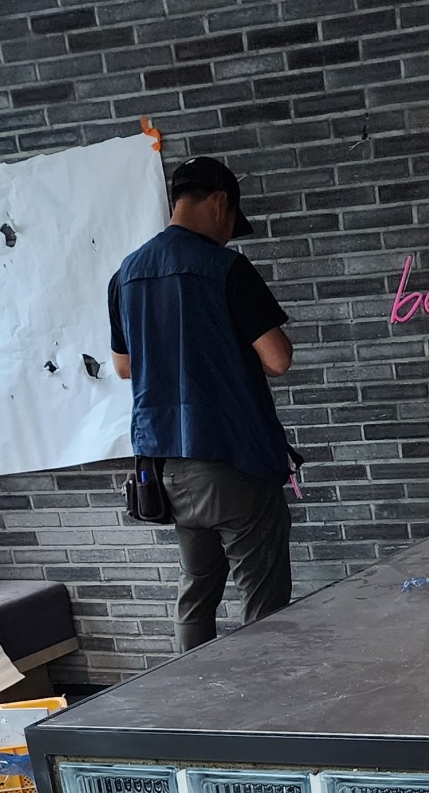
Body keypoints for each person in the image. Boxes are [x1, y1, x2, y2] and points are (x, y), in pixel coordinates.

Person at [108, 156, 295, 654]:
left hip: (168, 468)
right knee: (264, 602)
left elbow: (124, 367)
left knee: (196, 593)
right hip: (234, 460)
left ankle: (191, 700)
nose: (229, 234)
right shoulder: (225, 267)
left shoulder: (126, 274)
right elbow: (278, 359)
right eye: (232, 221)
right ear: (219, 203)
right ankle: (269, 698)